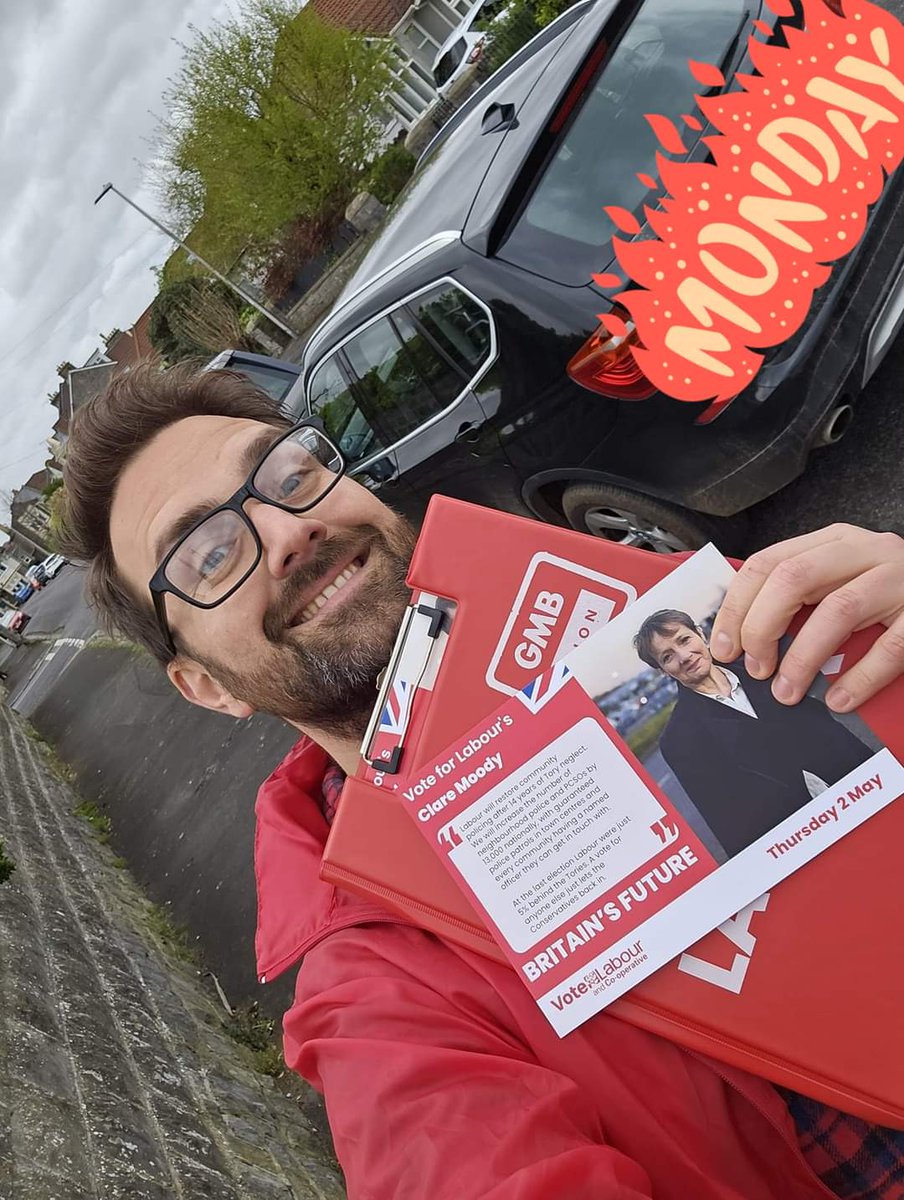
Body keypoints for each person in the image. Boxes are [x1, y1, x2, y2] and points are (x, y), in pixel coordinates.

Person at [60, 364, 904, 1200]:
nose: (286, 532)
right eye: (208, 556)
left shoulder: (644, 616)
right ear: (210, 686)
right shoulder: (377, 1003)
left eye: (289, 475)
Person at [632, 610, 874, 856]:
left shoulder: (765, 667)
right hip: (802, 845)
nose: (684, 656)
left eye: (684, 640)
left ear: (700, 634)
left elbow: (832, 732)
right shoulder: (678, 740)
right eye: (667, 657)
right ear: (663, 671)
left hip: (866, 793)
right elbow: (728, 826)